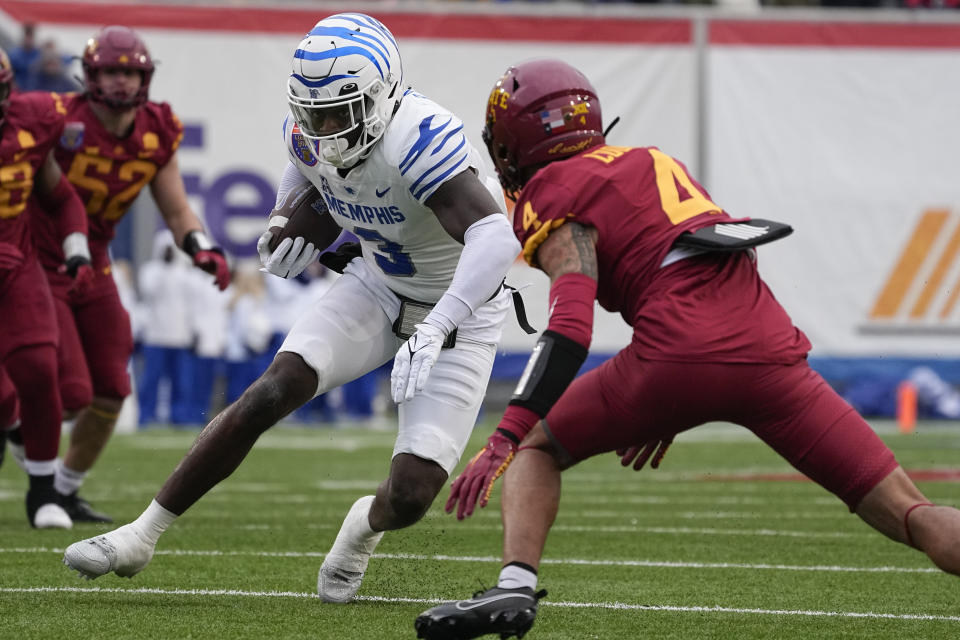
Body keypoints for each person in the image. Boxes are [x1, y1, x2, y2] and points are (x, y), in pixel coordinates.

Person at [414, 59, 960, 640]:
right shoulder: (653, 160)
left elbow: (571, 326)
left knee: (535, 450)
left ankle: (515, 589)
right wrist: (672, 399)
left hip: (675, 354)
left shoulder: (552, 189)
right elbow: (697, 255)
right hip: (769, 349)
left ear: (517, 142)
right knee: (911, 513)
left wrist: (505, 435)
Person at [62, 13, 521, 606]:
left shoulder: (419, 138)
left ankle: (359, 529)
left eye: (338, 112)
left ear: (380, 97)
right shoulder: (311, 132)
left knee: (410, 497)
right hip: (378, 286)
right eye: (312, 113)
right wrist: (283, 216)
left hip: (461, 314)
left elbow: (496, 239)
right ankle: (140, 535)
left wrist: (437, 325)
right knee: (272, 389)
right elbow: (305, 165)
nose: (323, 128)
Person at [11, 25, 231, 523]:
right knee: (70, 394)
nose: (122, 82)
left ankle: (63, 491)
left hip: (98, 261)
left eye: (131, 72)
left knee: (112, 386)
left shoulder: (157, 128)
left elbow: (175, 209)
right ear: (90, 74)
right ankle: (16, 419)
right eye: (112, 71)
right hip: (40, 261)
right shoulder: (60, 119)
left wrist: (202, 246)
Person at [0, 46, 95, 529]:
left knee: (39, 370)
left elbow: (60, 197)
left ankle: (42, 494)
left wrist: (75, 248)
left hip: (15, 265)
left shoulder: (31, 122)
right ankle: (9, 424)